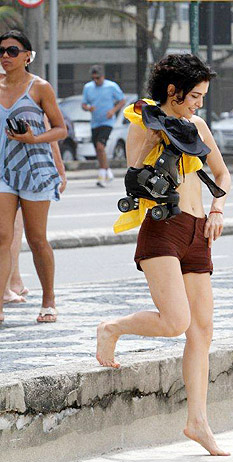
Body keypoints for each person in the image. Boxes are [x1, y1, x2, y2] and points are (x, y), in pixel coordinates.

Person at [96, 54, 231, 456]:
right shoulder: (142, 122)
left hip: (197, 231)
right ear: (172, 91)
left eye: (204, 96)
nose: (199, 105)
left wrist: (218, 209)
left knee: (201, 331)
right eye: (194, 96)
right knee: (176, 322)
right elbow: (133, 173)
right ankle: (113, 328)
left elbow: (221, 174)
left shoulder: (199, 126)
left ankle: (198, 422)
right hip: (164, 229)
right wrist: (156, 139)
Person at [0, 30, 67, 324]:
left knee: (37, 238)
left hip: (35, 168)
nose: (5, 56)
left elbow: (60, 129)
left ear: (27, 56)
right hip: (3, 170)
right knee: (2, 236)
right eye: (1, 50)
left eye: (12, 51)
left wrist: (33, 138)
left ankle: (48, 299)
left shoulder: (40, 88)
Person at [82, 65, 125, 188]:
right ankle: (108, 171)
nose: (96, 81)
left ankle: (102, 174)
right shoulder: (88, 87)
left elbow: (122, 100)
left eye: (98, 78)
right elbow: (84, 104)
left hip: (107, 122)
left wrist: (113, 110)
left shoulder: (111, 86)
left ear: (103, 76)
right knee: (97, 148)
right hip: (95, 122)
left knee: (100, 147)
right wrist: (88, 108)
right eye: (93, 78)